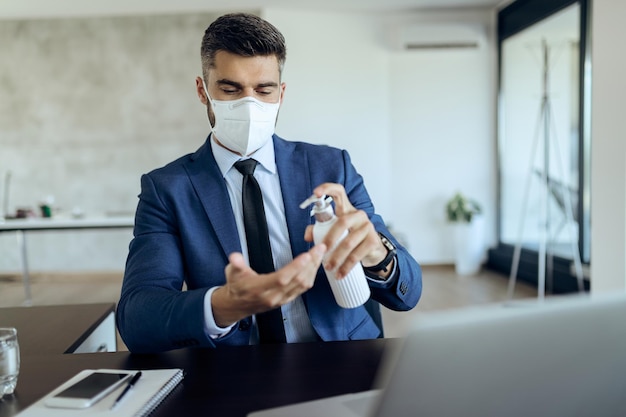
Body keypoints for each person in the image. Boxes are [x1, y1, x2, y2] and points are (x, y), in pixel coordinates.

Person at [116, 12, 422, 353]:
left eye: (264, 90)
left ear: (282, 93)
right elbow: (137, 319)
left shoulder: (331, 167)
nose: (250, 104)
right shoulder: (168, 189)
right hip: (234, 373)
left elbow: (407, 293)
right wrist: (225, 304)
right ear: (203, 91)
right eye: (231, 89)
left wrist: (376, 252)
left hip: (340, 358)